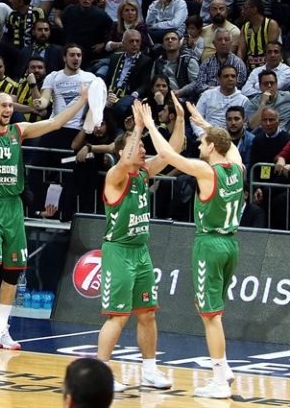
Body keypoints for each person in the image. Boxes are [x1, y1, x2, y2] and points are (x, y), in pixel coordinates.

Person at [0, 61, 88, 349]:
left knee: (13, 269)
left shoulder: (19, 131)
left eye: (11, 105)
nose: (8, 109)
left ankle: (1, 330)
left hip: (13, 207)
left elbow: (54, 123)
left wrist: (82, 101)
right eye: (4, 105)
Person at [142, 101, 244, 398]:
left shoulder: (205, 170)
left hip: (209, 244)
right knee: (210, 309)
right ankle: (223, 368)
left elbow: (167, 155)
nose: (199, 144)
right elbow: (228, 146)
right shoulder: (237, 167)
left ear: (212, 147)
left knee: (210, 315)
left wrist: (150, 125)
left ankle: (218, 379)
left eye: (202, 141)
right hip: (231, 244)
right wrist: (199, 121)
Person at [97, 100, 183, 392]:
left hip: (140, 252)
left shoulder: (143, 174)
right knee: (117, 317)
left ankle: (149, 370)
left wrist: (180, 118)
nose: (144, 150)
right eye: (139, 147)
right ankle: (103, 373)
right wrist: (138, 127)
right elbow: (126, 159)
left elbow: (174, 150)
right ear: (124, 152)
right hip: (118, 251)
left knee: (147, 314)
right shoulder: (116, 176)